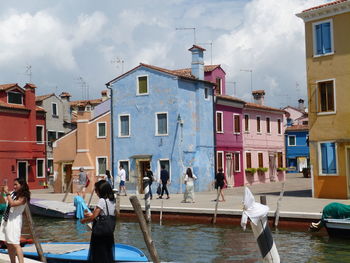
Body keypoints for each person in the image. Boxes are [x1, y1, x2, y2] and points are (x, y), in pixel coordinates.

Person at [81, 180, 116, 263]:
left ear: (101, 190)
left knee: (99, 253)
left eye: (96, 190)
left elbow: (94, 216)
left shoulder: (102, 201)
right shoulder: (112, 200)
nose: (96, 192)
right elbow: (105, 214)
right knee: (107, 252)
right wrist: (90, 215)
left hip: (100, 232)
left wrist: (84, 220)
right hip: (108, 231)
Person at [0, 178, 31, 263]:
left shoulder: (23, 197)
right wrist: (2, 192)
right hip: (7, 219)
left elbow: (12, 204)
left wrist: (7, 193)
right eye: (13, 184)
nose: (14, 186)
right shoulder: (13, 193)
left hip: (14, 221)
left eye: (16, 184)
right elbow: (4, 202)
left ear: (22, 185)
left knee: (15, 243)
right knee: (8, 243)